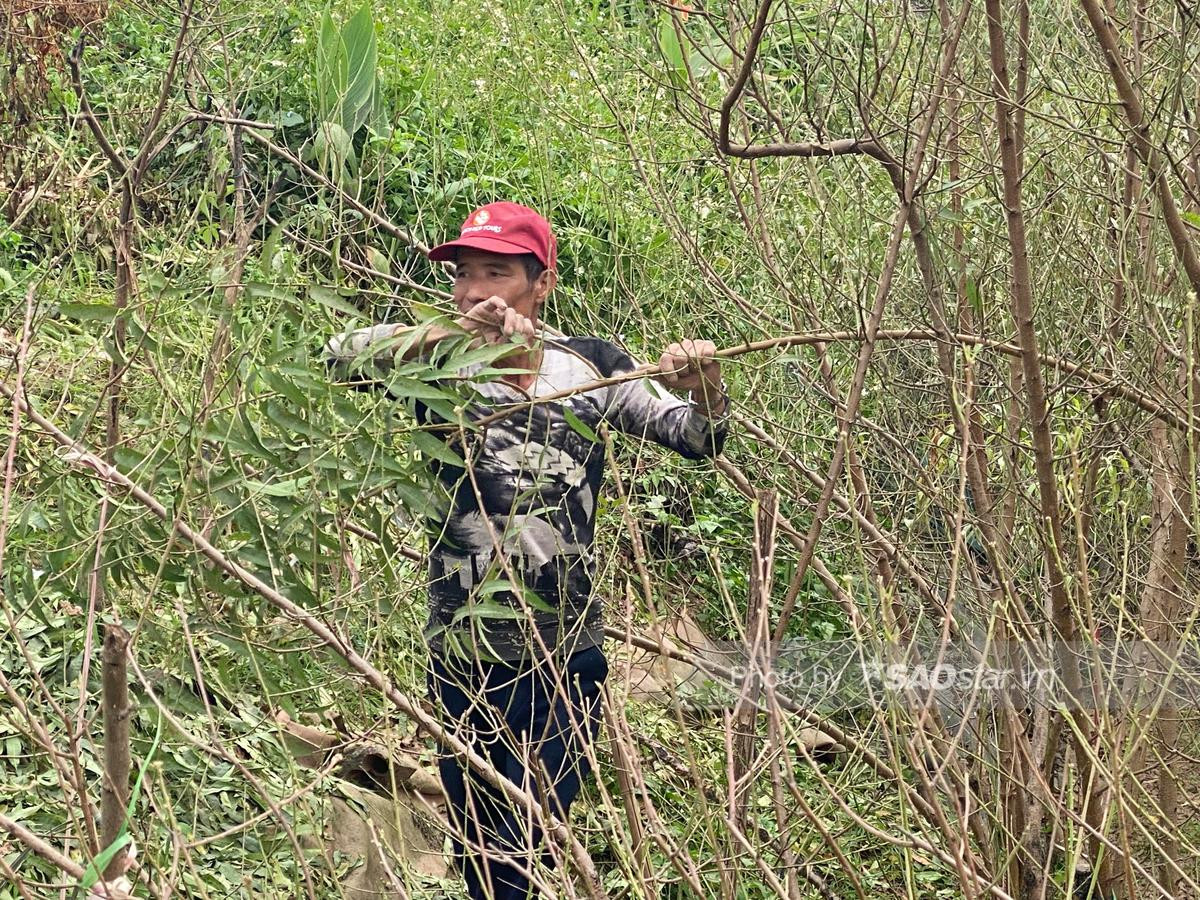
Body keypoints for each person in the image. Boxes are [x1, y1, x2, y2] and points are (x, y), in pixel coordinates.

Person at [325, 201, 730, 898]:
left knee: (532, 837)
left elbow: (697, 438)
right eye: (461, 274)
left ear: (540, 285)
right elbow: (337, 359)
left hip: (565, 653)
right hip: (462, 649)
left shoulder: (590, 366)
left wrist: (707, 386)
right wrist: (441, 337)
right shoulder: (438, 364)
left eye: (495, 272)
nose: (473, 290)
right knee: (480, 848)